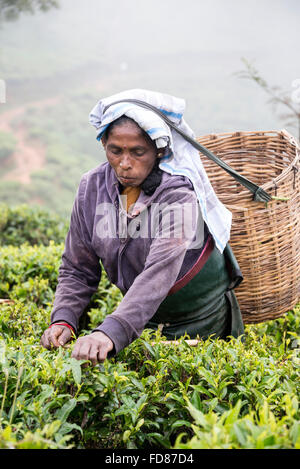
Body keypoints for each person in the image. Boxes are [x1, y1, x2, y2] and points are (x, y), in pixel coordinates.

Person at [40, 89, 244, 365]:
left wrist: (111, 332)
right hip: (141, 319)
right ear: (104, 146)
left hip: (201, 319)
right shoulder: (92, 187)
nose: (125, 164)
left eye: (138, 152)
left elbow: (158, 273)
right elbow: (78, 267)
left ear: (158, 151)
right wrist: (64, 319)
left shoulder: (178, 195)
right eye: (115, 150)